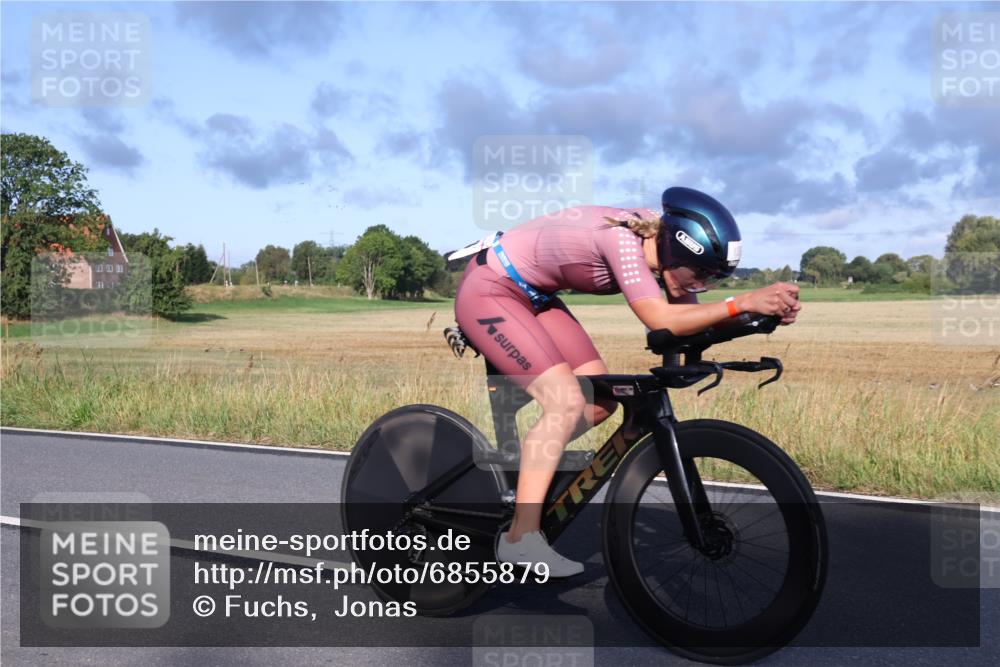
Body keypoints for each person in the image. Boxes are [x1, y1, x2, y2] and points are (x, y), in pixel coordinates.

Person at [451, 187, 801, 577]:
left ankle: (529, 475)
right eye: (700, 275)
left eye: (712, 280)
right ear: (676, 251)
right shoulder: (623, 240)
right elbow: (661, 321)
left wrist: (756, 319)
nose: (701, 286)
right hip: (491, 289)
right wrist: (744, 301)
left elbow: (686, 328)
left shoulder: (666, 254)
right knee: (565, 403)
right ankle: (520, 539)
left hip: (535, 295)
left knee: (598, 402)